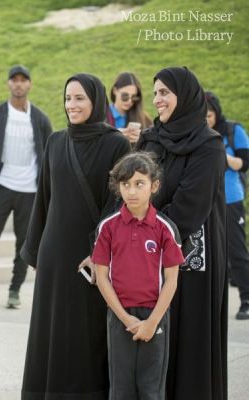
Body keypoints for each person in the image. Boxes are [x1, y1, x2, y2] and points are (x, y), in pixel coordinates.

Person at [20, 73, 130, 399]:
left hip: (90, 258)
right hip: (54, 253)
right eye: (68, 98)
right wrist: (35, 251)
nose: (72, 105)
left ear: (95, 100)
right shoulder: (55, 141)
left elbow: (116, 204)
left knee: (87, 331)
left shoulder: (115, 143)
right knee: (51, 328)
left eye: (80, 98)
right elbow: (44, 198)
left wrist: (100, 253)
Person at [136, 66, 227, 400]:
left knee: (188, 343)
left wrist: (140, 236)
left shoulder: (209, 146)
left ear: (186, 96)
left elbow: (189, 209)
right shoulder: (150, 139)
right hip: (148, 257)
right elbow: (133, 190)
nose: (158, 99)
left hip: (192, 262)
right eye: (156, 92)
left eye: (166, 92)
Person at [92, 152, 184, 400]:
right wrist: (125, 318)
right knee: (121, 389)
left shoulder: (165, 228)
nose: (131, 191)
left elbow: (172, 280)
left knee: (151, 389)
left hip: (155, 316)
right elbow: (101, 277)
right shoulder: (108, 227)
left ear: (154, 186)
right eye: (125, 184)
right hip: (119, 316)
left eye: (139, 184)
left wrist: (152, 322)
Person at [0, 65, 52, 308]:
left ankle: (14, 292)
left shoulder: (39, 118)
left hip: (30, 191)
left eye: (23, 80)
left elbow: (48, 151)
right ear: (9, 84)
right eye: (14, 80)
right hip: (2, 188)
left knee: (23, 243)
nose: (18, 84)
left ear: (29, 85)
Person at [205, 90, 249, 320]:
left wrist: (222, 154)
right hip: (205, 202)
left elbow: (244, 163)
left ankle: (246, 299)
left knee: (236, 250)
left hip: (231, 199)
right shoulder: (197, 135)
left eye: (210, 114)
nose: (207, 119)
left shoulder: (232, 131)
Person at [107, 72, 153, 145]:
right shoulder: (102, 115)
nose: (129, 101)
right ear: (115, 91)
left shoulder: (145, 119)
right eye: (125, 96)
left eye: (134, 97)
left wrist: (141, 140)